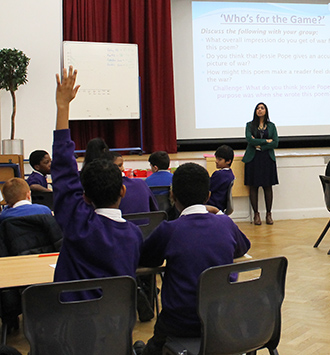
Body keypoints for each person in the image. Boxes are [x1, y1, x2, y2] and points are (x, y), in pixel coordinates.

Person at [138, 162, 251, 355]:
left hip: (180, 322)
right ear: (208, 196)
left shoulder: (169, 230)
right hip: (222, 320)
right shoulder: (225, 224)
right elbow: (243, 248)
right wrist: (220, 214)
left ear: (172, 196)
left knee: (153, 343)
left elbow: (147, 259)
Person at [52, 66, 143, 283]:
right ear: (123, 189)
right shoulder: (134, 235)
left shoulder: (79, 223)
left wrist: (62, 107)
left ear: (85, 196)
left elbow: (64, 172)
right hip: (117, 318)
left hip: (71, 314)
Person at [243, 102, 279, 225]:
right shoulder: (249, 125)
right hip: (253, 158)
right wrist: (265, 141)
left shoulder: (271, 126)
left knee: (267, 186)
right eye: (258, 108)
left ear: (266, 111)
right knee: (254, 186)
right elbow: (249, 140)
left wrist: (260, 144)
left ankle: (269, 214)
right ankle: (256, 215)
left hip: (267, 158)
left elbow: (275, 143)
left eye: (262, 108)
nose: (260, 110)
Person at [208, 144, 235, 212]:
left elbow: (207, 188)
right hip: (221, 205)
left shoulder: (219, 175)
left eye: (219, 159)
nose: (216, 161)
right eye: (216, 158)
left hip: (212, 204)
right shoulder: (230, 174)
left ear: (228, 161)